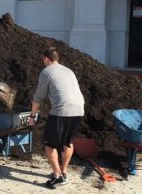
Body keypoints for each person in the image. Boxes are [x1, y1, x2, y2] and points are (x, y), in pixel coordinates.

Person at [28, 47, 85, 189]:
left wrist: (32, 116)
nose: (43, 62)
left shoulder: (46, 71)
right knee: (68, 142)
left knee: (49, 145)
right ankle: (64, 171)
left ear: (47, 59)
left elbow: (38, 98)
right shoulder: (68, 70)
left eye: (43, 59)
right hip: (78, 109)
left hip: (61, 110)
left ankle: (58, 175)